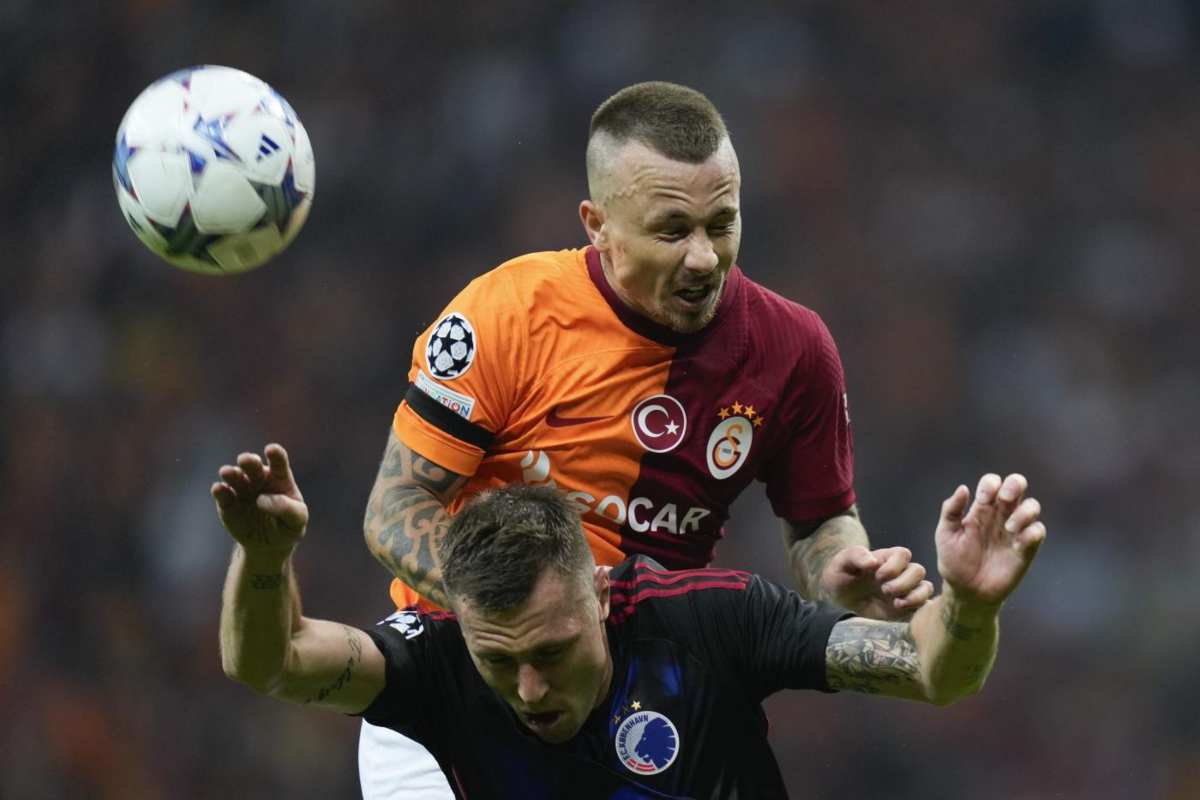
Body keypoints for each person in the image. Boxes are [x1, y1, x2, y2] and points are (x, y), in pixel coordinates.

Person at [360, 81, 934, 796]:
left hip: (655, 686)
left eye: (721, 224)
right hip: (469, 672)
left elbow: (819, 522)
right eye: (672, 230)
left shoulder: (794, 349)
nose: (703, 258)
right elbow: (395, 506)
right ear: (598, 225)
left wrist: (836, 574)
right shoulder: (508, 313)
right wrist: (514, 616)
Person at [216, 444, 1045, 799]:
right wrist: (263, 559)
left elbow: (933, 670)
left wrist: (968, 605)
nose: (529, 689)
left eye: (552, 652)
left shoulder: (712, 620)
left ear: (603, 596)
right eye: (500, 662)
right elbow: (271, 661)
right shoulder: (436, 662)